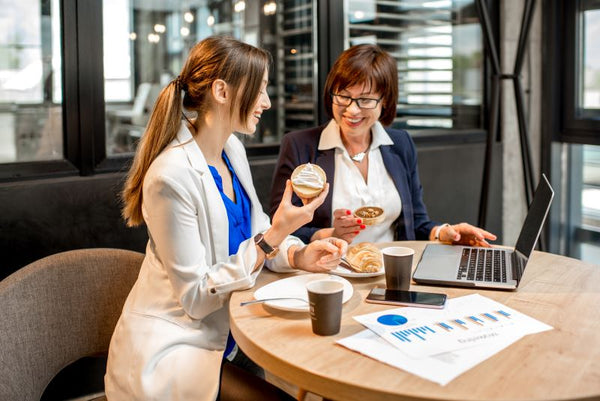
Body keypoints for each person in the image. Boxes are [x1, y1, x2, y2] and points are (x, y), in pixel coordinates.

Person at [105, 36, 346, 401]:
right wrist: (275, 235)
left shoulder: (231, 149)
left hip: (232, 333)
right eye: (260, 90)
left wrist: (297, 254)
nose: (266, 102)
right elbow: (198, 298)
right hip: (180, 345)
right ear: (221, 90)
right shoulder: (169, 177)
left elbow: (253, 230)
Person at [270, 44, 496, 247]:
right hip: (328, 273)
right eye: (343, 96)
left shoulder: (400, 144)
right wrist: (330, 233)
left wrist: (445, 233)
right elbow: (279, 227)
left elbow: (415, 222)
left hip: (389, 271)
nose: (352, 110)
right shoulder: (300, 146)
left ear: (385, 100)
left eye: (365, 100)